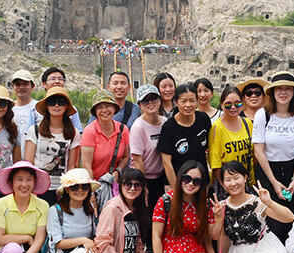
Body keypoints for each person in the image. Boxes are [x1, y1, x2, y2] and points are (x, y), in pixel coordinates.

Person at [210, 161, 292, 253]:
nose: (233, 183)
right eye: (228, 180)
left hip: (263, 248)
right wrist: (218, 219)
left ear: (245, 178)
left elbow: (289, 217)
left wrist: (269, 202)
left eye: (236, 178)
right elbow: (219, 236)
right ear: (223, 183)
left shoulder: (257, 201)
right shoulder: (221, 206)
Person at [148, 160, 218, 253]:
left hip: (197, 252)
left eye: (196, 181)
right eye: (187, 179)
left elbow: (210, 237)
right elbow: (156, 237)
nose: (190, 184)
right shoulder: (166, 201)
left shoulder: (204, 204)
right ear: (180, 178)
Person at [252, 73, 294, 242]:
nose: (283, 93)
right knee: (272, 220)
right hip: (268, 170)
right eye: (279, 89)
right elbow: (259, 150)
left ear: (293, 93)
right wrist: (274, 182)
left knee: (292, 218)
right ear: (273, 92)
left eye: (288, 89)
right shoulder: (263, 114)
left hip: (292, 170)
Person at [96, 168, 157, 253]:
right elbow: (102, 243)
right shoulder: (113, 207)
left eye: (137, 185)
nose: (132, 188)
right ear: (120, 185)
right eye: (128, 184)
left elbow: (138, 242)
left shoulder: (137, 208)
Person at [23, 87, 80, 205]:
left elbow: (72, 166)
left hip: (61, 188)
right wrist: (31, 189)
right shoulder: (35, 130)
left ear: (66, 106)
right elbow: (28, 163)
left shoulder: (74, 133)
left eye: (61, 102)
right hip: (38, 188)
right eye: (52, 102)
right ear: (47, 106)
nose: (56, 105)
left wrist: (68, 189)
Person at [158, 84, 211, 188]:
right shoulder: (169, 128)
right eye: (183, 101)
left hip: (201, 181)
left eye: (192, 100)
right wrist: (176, 189)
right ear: (176, 102)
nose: (188, 105)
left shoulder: (203, 119)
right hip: (179, 182)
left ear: (197, 101)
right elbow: (166, 162)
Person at [129, 84, 168, 212]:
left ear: (160, 100)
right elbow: (137, 160)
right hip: (144, 177)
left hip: (162, 177)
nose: (150, 102)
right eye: (145, 100)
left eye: (153, 98)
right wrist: (143, 186)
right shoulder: (138, 127)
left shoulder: (165, 122)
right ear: (140, 105)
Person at [209, 86, 254, 189]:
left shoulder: (247, 123)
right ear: (221, 105)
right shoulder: (217, 128)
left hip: (247, 182)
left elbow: (253, 154)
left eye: (237, 103)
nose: (233, 107)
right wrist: (225, 186)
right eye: (228, 104)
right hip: (228, 184)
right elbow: (215, 162)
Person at [81, 90, 130, 182]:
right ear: (95, 111)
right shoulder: (89, 131)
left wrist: (117, 171)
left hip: (113, 182)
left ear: (114, 108)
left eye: (108, 106)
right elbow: (86, 166)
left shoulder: (123, 129)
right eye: (100, 107)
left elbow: (125, 157)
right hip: (95, 182)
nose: (104, 110)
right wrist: (93, 187)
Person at [24, 67, 84, 132]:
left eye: (60, 79)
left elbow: (79, 133)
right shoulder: (34, 110)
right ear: (44, 84)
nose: (57, 81)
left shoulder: (73, 110)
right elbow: (28, 133)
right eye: (53, 79)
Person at [11, 69, 38, 147]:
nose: (21, 87)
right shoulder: (7, 109)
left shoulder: (38, 108)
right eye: (18, 84)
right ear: (13, 86)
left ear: (33, 86)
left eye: (25, 84)